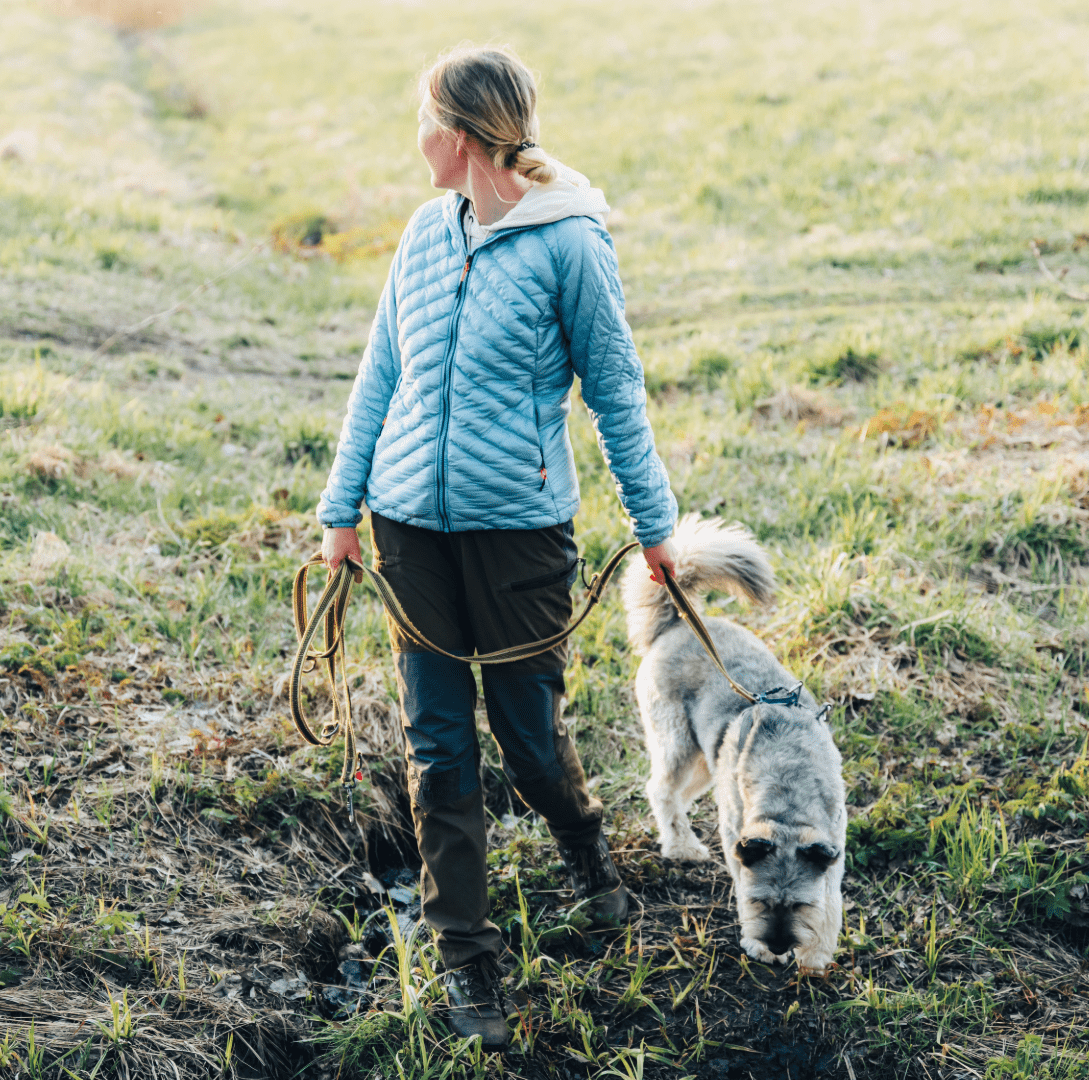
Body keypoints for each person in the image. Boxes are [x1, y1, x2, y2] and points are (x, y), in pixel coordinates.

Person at [315, 44, 677, 1050]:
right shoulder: (426, 235)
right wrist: (343, 513)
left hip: (519, 536)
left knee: (526, 744)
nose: (416, 138)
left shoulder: (572, 245)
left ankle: (585, 847)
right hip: (408, 535)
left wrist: (656, 529)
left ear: (463, 134)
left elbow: (615, 390)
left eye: (425, 119)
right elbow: (378, 376)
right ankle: (468, 962)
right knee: (438, 750)